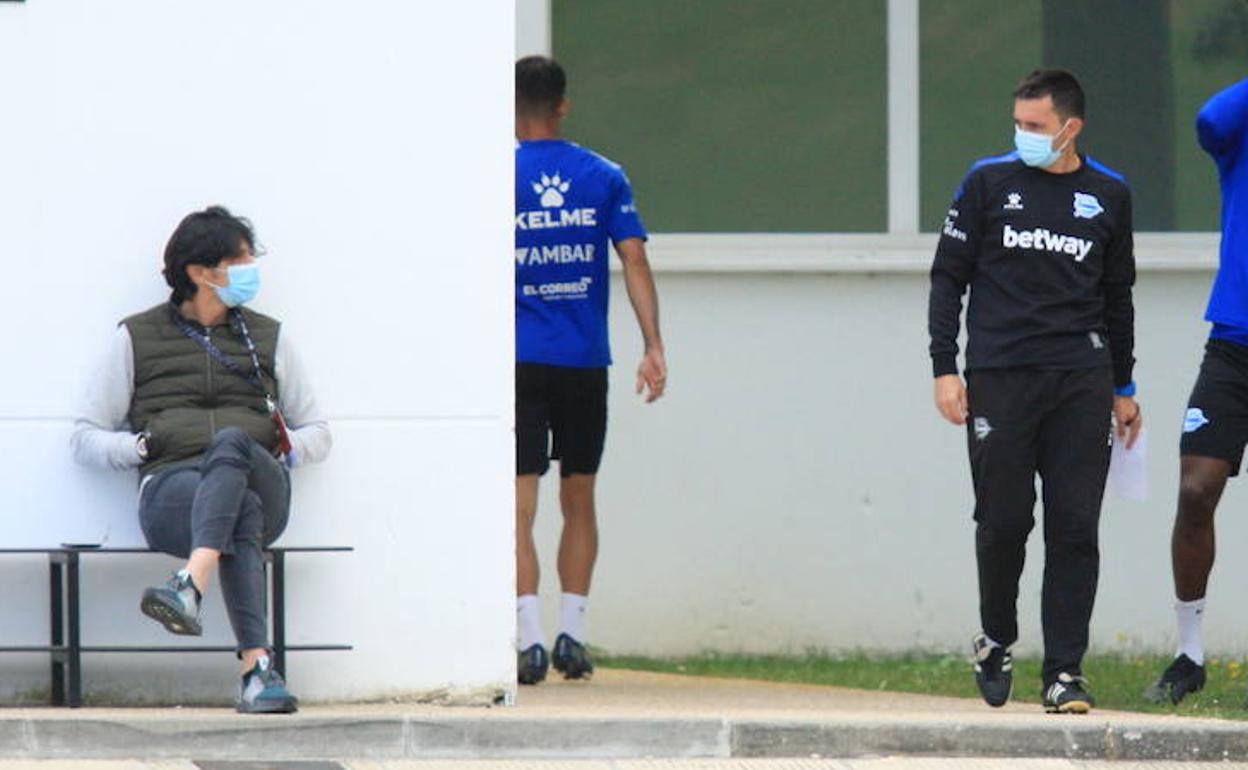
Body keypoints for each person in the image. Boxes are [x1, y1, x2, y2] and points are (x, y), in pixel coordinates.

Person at [927, 69, 1141, 713]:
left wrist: (1123, 383)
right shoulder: (986, 183)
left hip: (1081, 381)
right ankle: (996, 639)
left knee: (1075, 528)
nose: (1023, 136)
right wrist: (945, 367)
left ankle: (1065, 672)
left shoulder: (1109, 194)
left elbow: (1117, 295)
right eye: (1018, 124)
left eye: (1035, 126)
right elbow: (948, 278)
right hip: (1000, 377)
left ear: (1070, 128)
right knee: (1003, 523)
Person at [71, 206, 331, 713]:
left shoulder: (268, 337)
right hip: (173, 492)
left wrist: (287, 447)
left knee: (233, 445)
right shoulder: (136, 337)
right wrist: (139, 448)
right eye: (241, 259)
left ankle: (190, 584)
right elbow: (85, 438)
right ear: (200, 272)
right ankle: (256, 671)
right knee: (241, 511)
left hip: (261, 475)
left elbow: (319, 431)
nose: (252, 267)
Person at [514, 56, 667, 685]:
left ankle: (527, 643)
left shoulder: (486, 176)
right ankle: (572, 633)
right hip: (583, 361)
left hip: (517, 361)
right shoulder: (603, 175)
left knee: (517, 505)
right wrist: (653, 344)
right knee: (579, 497)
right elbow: (633, 259)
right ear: (563, 106)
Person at [1146, 76, 1248, 706]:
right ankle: (1189, 654)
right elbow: (1210, 120)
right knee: (1196, 487)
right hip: (1235, 340)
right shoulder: (1237, 135)